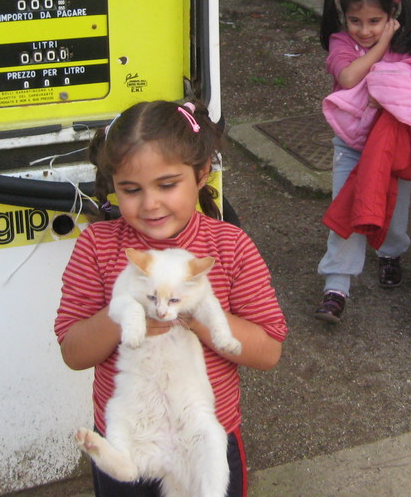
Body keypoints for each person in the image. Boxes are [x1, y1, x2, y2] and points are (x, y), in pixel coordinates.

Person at [55, 99, 288, 497]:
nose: (150, 203)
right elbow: (73, 352)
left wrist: (192, 313)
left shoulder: (229, 247)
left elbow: (268, 351)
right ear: (113, 185)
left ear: (200, 175)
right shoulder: (98, 245)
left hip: (202, 434)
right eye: (131, 189)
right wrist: (129, 310)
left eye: (167, 185)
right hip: (131, 435)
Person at [314, 0, 411, 323]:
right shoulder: (340, 43)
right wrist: (380, 46)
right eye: (355, 20)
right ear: (343, 16)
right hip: (351, 145)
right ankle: (336, 286)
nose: (364, 30)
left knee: (393, 208)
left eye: (375, 21)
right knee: (346, 211)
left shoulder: (405, 47)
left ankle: (391, 253)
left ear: (392, 14)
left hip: (392, 148)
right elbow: (348, 77)